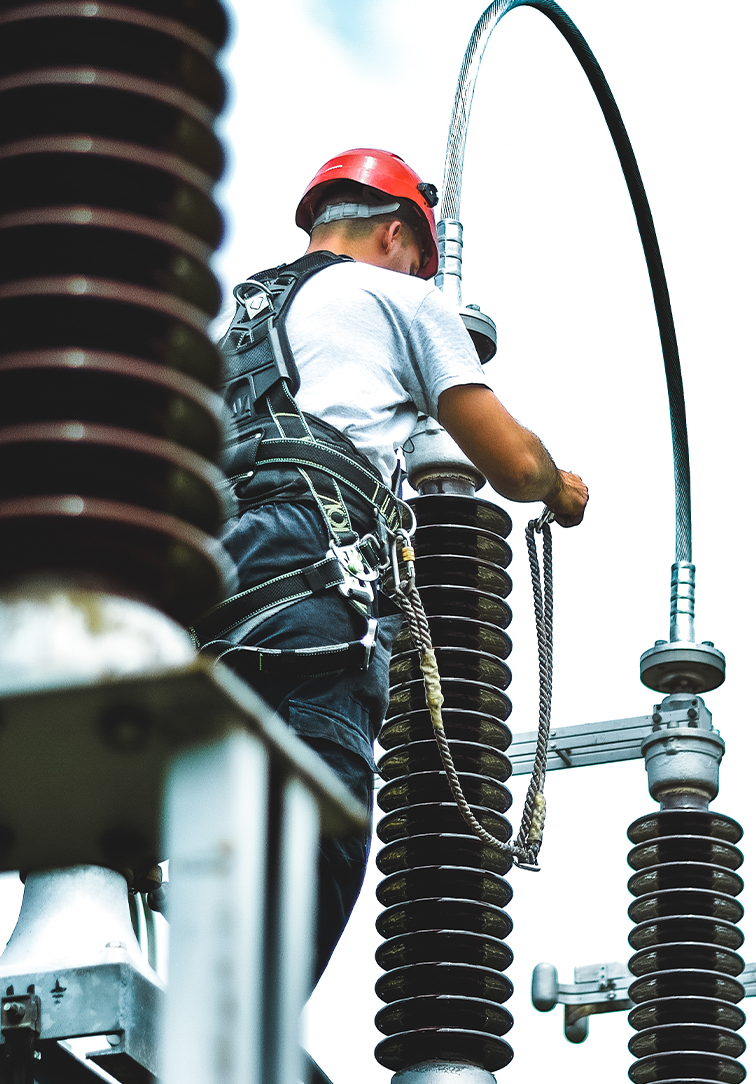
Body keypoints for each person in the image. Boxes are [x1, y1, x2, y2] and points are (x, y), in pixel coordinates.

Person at [191, 148, 588, 980]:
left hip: (204, 599)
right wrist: (558, 488)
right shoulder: (400, 297)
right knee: (319, 831)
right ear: (397, 233)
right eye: (420, 256)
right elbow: (511, 464)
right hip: (308, 593)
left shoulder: (231, 328)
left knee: (214, 835)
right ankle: (235, 1052)